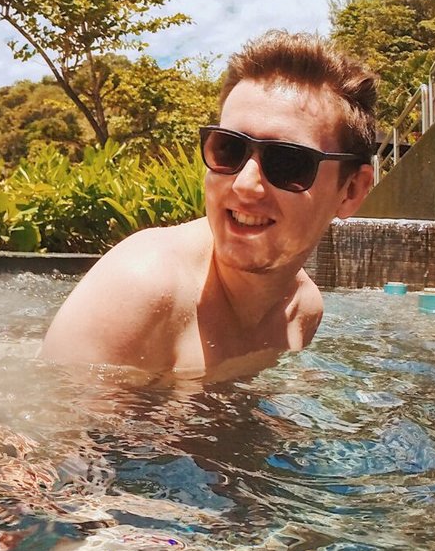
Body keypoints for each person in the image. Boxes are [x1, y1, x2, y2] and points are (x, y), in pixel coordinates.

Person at [42, 30, 377, 380]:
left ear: (351, 191)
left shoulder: (303, 311)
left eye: (288, 162)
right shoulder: (140, 289)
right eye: (229, 149)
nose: (245, 184)